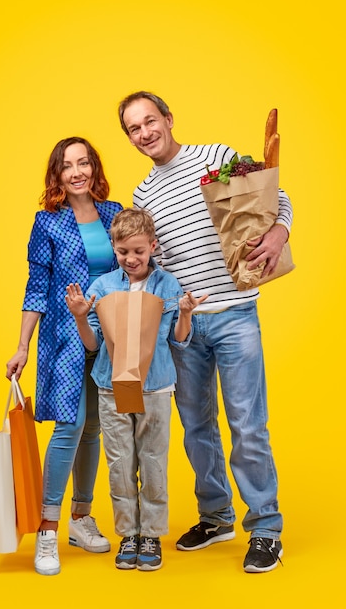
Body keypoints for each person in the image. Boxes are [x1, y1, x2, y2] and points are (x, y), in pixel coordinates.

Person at [117, 91, 293, 573]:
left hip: (235, 314)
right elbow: (153, 261)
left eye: (150, 121)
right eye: (134, 129)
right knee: (197, 427)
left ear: (169, 119)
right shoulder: (143, 195)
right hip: (184, 324)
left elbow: (274, 197)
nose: (145, 133)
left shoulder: (214, 157)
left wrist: (279, 232)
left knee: (246, 425)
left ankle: (266, 528)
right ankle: (216, 517)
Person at [65, 207, 207, 571]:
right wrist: (82, 316)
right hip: (112, 387)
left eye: (139, 251)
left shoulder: (168, 286)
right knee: (120, 463)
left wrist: (187, 313)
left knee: (154, 461)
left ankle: (151, 535)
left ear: (153, 247)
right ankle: (128, 532)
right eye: (123, 251)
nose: (131, 258)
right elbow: (93, 344)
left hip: (156, 386)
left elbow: (179, 339)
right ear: (114, 248)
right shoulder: (102, 288)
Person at [6, 137, 123, 576]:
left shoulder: (115, 214)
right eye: (68, 166)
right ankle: (48, 529)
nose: (77, 172)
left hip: (110, 337)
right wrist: (22, 347)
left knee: (93, 428)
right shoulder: (48, 222)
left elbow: (135, 266)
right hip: (66, 337)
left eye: (84, 162)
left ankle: (80, 517)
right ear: (56, 175)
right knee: (70, 426)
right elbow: (36, 287)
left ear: (94, 167)